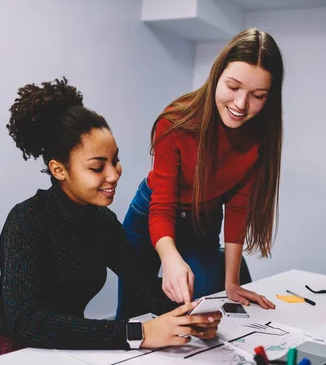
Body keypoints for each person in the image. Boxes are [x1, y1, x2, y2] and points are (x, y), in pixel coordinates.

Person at [0, 78, 222, 360]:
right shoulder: (26, 221)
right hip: (14, 354)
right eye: (97, 167)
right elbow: (27, 323)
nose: (114, 174)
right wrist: (138, 333)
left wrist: (187, 315)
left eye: (115, 160)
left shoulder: (102, 222)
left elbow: (142, 283)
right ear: (59, 170)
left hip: (65, 350)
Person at [117, 28, 283, 320]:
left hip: (202, 220)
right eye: (233, 86)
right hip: (150, 214)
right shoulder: (176, 121)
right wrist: (169, 258)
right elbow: (162, 205)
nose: (241, 105)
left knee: (205, 308)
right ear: (216, 75)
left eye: (257, 96)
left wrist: (232, 283)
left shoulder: (259, 137)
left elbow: (237, 209)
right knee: (131, 315)